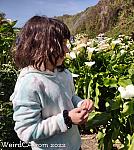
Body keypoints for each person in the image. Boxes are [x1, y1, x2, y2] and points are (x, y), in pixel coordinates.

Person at [10, 15, 94, 150]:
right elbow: (26, 131)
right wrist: (66, 120)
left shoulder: (63, 74)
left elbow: (69, 97)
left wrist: (81, 103)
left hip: (74, 145)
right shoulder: (30, 83)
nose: (67, 50)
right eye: (62, 45)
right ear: (42, 47)